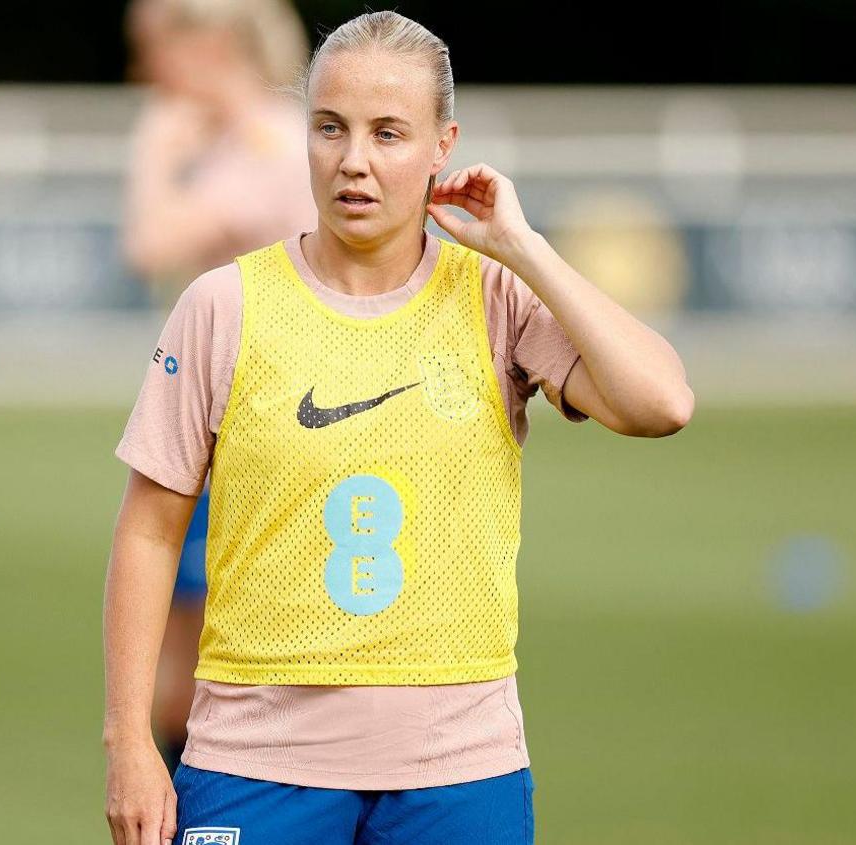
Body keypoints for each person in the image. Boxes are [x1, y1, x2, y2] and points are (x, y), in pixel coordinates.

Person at [104, 11, 694, 845]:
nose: (355, 161)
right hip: (254, 767)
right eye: (330, 128)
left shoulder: (495, 298)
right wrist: (130, 742)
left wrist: (523, 247)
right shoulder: (222, 306)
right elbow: (148, 532)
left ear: (442, 145)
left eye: (389, 134)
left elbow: (662, 402)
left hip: (459, 774)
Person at [121, 0, 317, 776]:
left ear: (207, 47)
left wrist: (154, 146)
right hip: (238, 436)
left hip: (257, 445)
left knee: (200, 691)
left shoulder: (267, 149)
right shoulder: (262, 143)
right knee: (187, 686)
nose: (146, 75)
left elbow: (148, 244)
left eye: (154, 51)